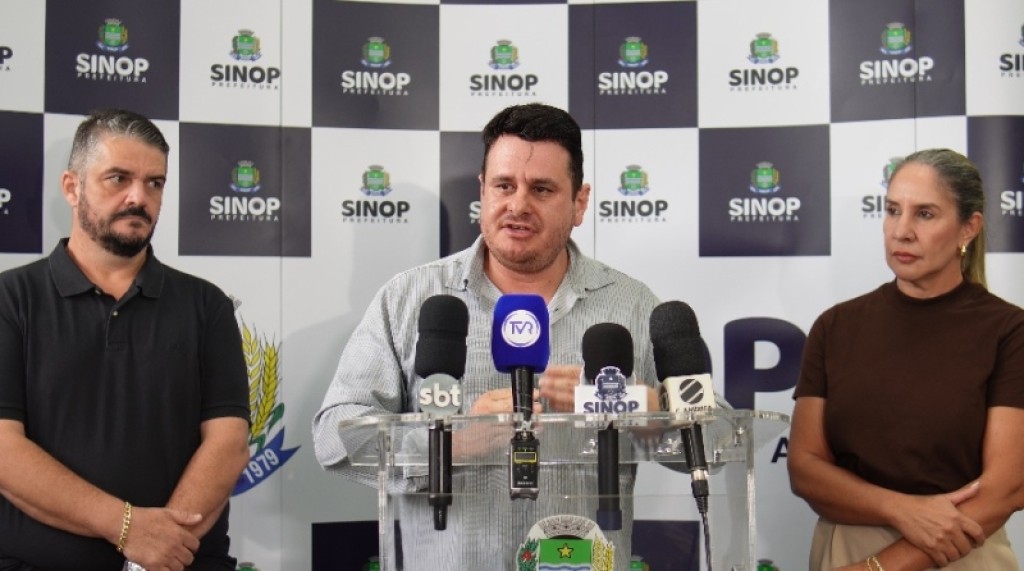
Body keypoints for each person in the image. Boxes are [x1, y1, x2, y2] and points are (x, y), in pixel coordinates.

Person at [312, 103, 667, 569]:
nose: (518, 205)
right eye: (504, 185)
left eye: (541, 189)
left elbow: (713, 436)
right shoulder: (410, 298)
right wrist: (452, 444)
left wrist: (647, 410)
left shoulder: (631, 304)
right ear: (482, 190)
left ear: (579, 203)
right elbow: (334, 437)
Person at [0, 109, 251, 570]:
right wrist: (128, 529)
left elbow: (228, 443)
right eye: (118, 179)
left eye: (155, 183)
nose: (139, 197)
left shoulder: (207, 305)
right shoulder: (10, 299)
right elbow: (3, 449)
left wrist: (157, 554)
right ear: (72, 188)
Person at [788, 148, 1024, 570]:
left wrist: (878, 568)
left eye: (925, 214)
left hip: (961, 550)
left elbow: (1004, 489)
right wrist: (902, 510)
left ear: (968, 228)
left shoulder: (1009, 331)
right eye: (893, 210)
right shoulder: (835, 326)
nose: (901, 231)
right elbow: (805, 468)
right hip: (848, 548)